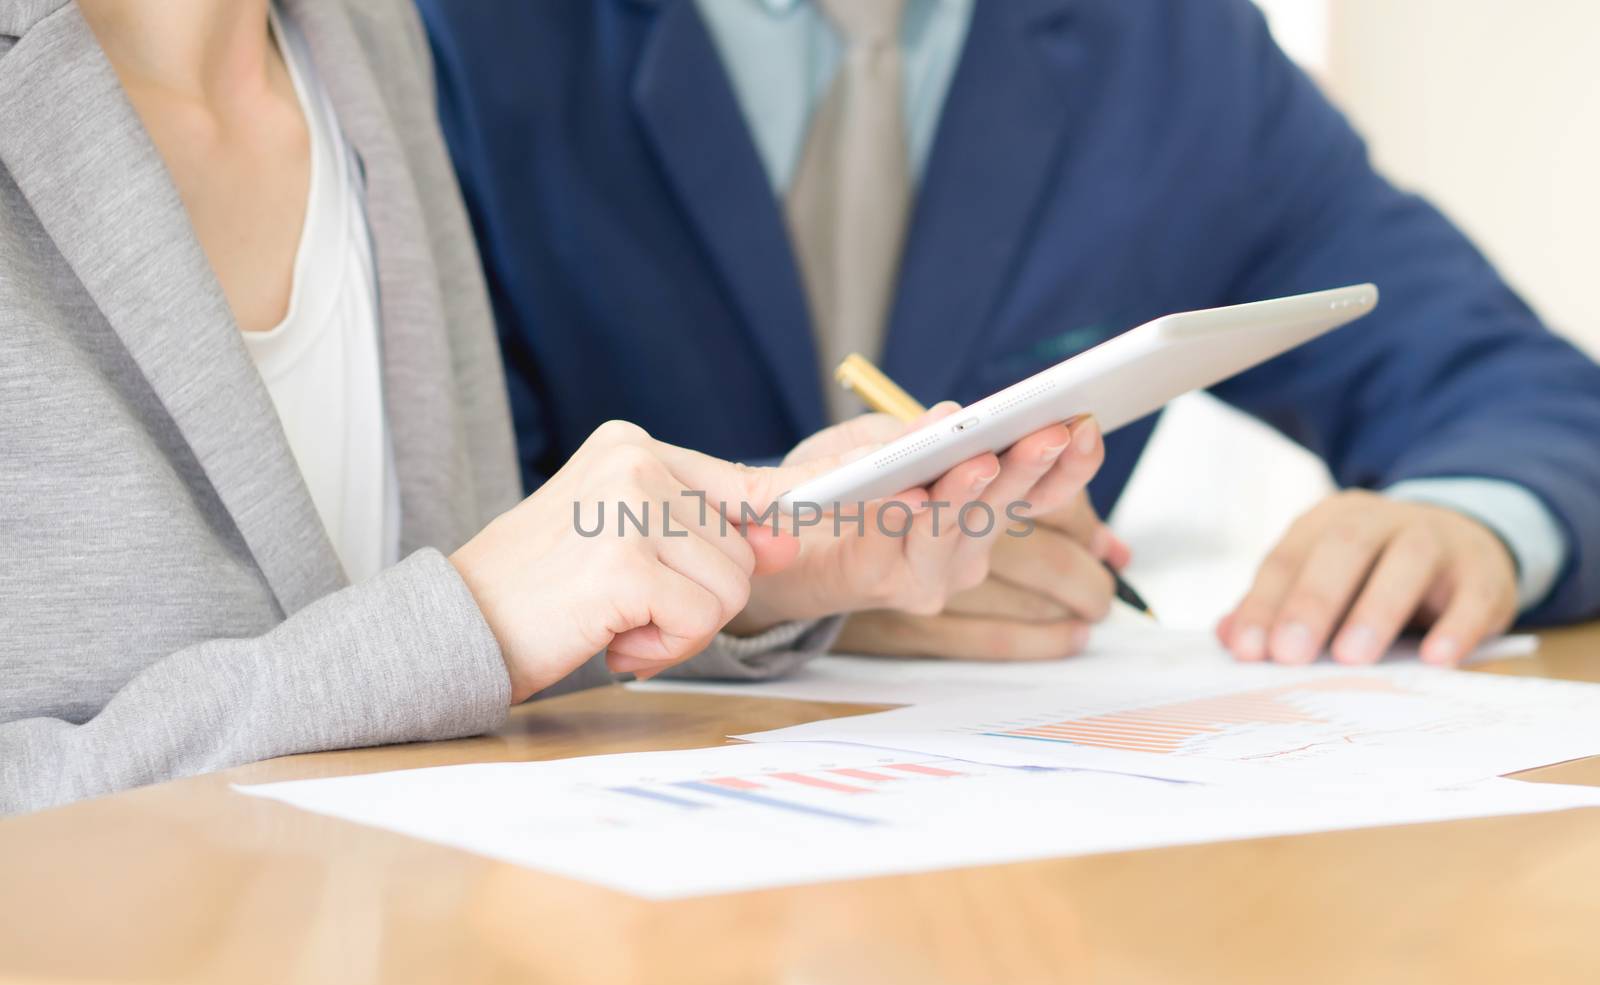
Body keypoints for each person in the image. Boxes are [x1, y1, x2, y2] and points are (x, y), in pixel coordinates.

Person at [0, 0, 1099, 815]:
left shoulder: (366, 45)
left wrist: (763, 561)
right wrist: (471, 615)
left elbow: (422, 666)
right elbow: (444, 633)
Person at [418, 0, 1600, 668]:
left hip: (1018, 879)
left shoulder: (1171, 50)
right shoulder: (448, 38)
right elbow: (401, 529)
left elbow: (1514, 390)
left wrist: (1470, 520)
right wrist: (793, 583)